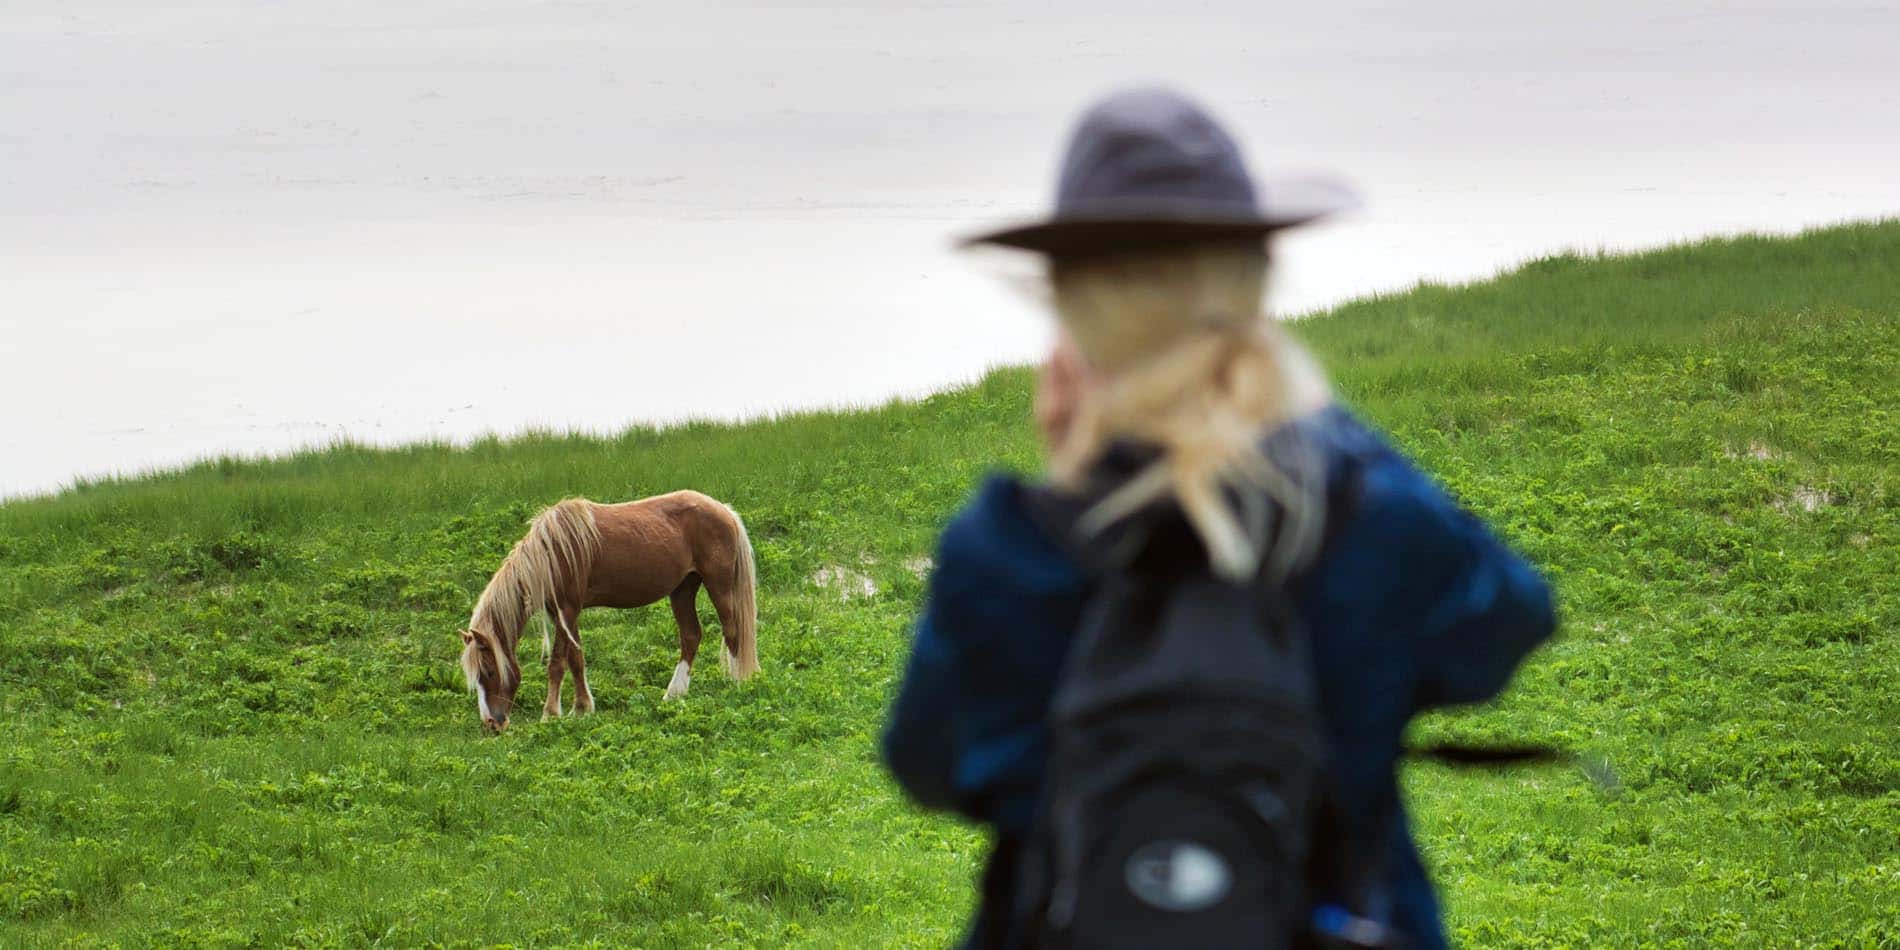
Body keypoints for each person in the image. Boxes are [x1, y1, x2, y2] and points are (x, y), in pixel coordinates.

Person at [881, 87, 1556, 949]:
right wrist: (1311, 425)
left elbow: (928, 765)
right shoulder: (1364, 520)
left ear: (1075, 315)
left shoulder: (1007, 550)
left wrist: (1076, 466)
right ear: (1253, 289)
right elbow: (1508, 620)